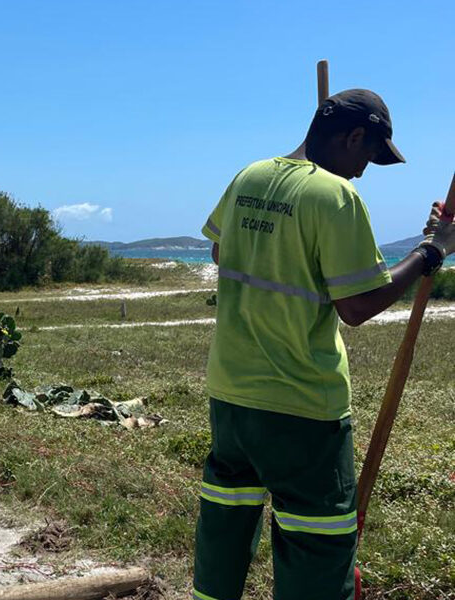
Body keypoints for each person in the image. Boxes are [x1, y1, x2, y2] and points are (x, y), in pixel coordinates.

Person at [192, 89, 455, 600]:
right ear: (353, 137)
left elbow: (222, 252)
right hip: (303, 406)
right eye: (368, 157)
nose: (362, 172)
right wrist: (432, 251)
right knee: (317, 545)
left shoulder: (249, 177)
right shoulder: (335, 197)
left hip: (230, 395)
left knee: (225, 521)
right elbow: (357, 306)